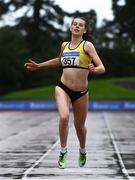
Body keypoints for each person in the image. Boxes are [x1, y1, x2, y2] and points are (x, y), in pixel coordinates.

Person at [24, 16, 105, 169]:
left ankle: (82, 150)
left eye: (80, 25)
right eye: (74, 24)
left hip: (81, 92)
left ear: (85, 30)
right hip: (63, 87)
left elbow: (102, 67)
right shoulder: (64, 45)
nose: (77, 27)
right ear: (70, 27)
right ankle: (63, 151)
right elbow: (59, 60)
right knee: (63, 117)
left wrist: (95, 69)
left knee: (80, 126)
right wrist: (39, 66)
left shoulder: (87, 46)